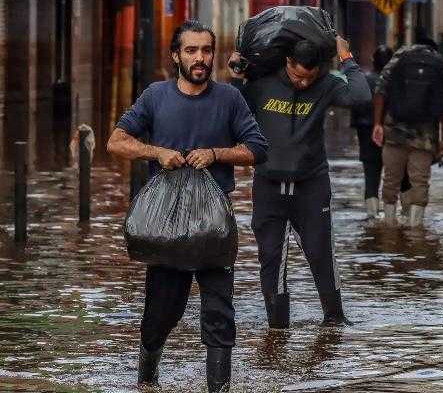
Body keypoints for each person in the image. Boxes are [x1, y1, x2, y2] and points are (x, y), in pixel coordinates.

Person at [106, 20, 270, 392]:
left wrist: (215, 154)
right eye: (192, 51)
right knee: (160, 314)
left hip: (214, 225)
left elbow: (257, 148)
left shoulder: (229, 98)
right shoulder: (155, 96)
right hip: (166, 227)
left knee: (219, 313)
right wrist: (157, 152)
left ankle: (219, 387)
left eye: (206, 51)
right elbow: (116, 142)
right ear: (175, 55)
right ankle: (147, 379)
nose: (200, 58)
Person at [228, 36, 371, 330]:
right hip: (268, 183)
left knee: (320, 252)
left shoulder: (327, 84)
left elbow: (361, 97)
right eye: (296, 75)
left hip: (311, 184)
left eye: (309, 77)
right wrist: (237, 76)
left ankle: (334, 320)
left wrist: (347, 57)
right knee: (271, 257)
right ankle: (277, 328)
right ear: (287, 62)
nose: (303, 83)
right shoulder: (262, 82)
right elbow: (231, 110)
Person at [372, 38, 443, 227]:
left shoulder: (400, 56)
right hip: (426, 136)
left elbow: (380, 90)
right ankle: (416, 231)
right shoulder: (440, 64)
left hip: (395, 131)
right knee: (420, 182)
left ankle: (389, 225)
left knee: (391, 179)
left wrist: (377, 123)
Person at [349, 45, 411, 218]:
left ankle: (372, 216)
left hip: (367, 131)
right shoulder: (399, 82)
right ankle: (407, 216)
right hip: (395, 133)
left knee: (371, 175)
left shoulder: (364, 80)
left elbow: (355, 105)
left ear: (373, 61)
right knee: (403, 176)